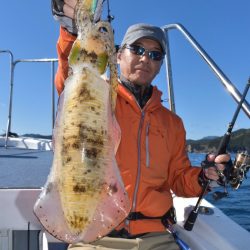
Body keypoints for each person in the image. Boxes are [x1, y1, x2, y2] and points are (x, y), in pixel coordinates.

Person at [51, 1, 231, 249]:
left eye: (155, 55)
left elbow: (178, 179)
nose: (145, 59)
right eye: (137, 49)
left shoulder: (173, 124)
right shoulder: (96, 95)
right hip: (97, 234)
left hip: (156, 235)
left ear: (160, 65)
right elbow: (70, 75)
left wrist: (205, 176)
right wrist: (70, 27)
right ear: (118, 54)